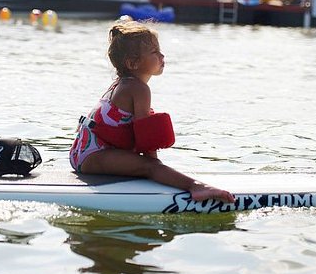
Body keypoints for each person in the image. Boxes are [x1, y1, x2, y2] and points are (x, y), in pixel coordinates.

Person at [69, 21, 236, 204]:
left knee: (148, 166)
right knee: (150, 166)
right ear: (133, 63)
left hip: (83, 152)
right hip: (93, 156)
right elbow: (146, 139)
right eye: (155, 52)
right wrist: (154, 169)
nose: (162, 55)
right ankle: (197, 187)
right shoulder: (138, 88)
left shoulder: (122, 83)